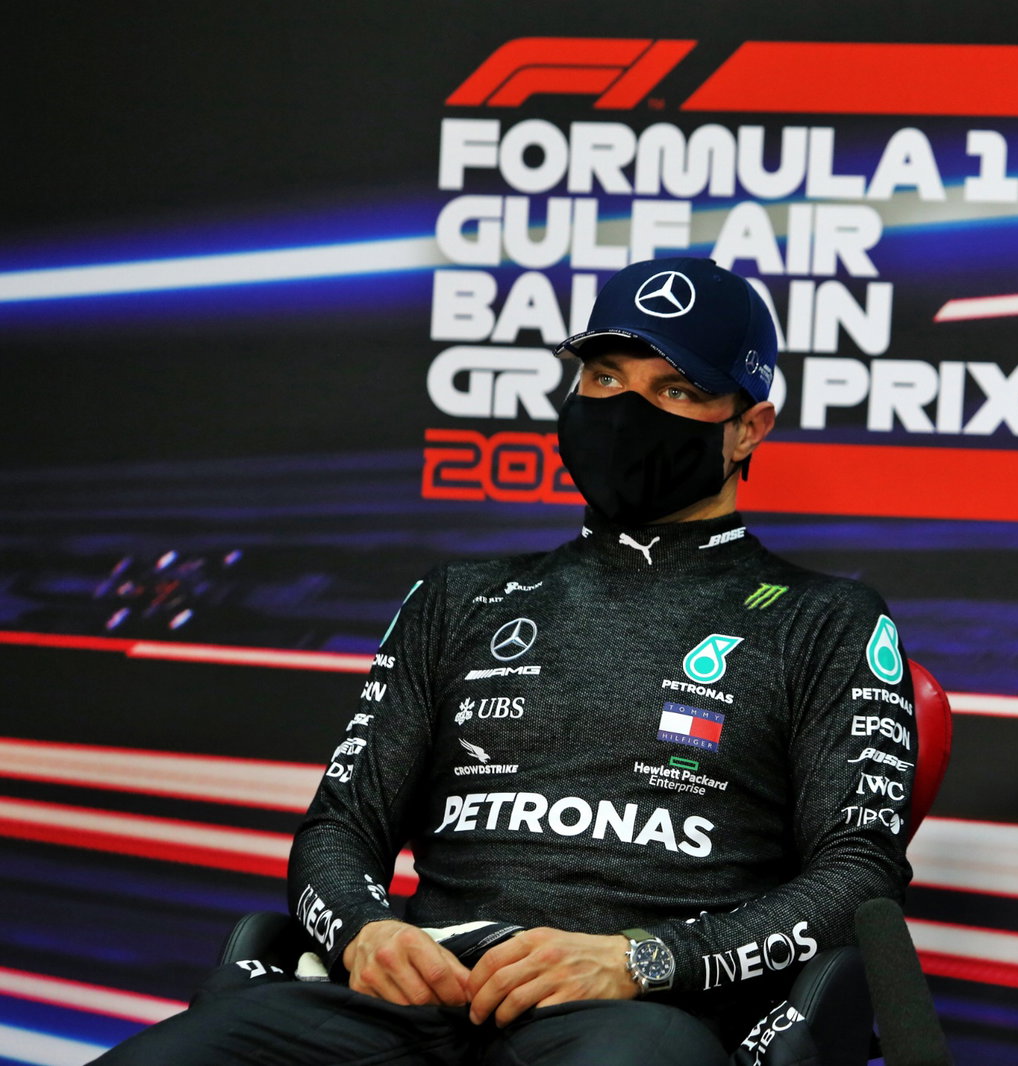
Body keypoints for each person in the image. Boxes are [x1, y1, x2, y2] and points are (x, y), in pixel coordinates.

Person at [94, 257, 917, 1065]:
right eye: (604, 380)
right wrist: (364, 932)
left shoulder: (827, 620)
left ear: (749, 428)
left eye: (677, 391)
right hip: (408, 1003)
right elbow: (340, 830)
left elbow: (859, 880)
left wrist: (642, 960)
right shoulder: (456, 600)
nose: (628, 411)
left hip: (635, 1016)